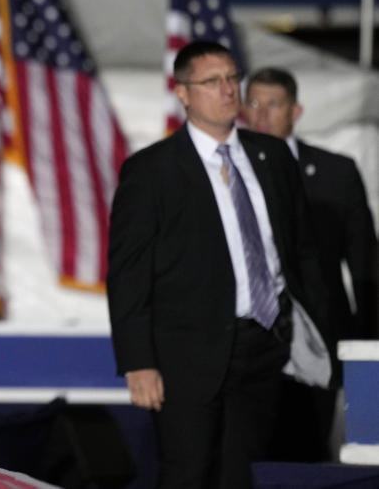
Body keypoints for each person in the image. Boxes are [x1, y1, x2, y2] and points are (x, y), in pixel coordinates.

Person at [107, 40, 332, 487]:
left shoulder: (272, 159)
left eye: (232, 79)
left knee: (241, 475)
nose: (228, 90)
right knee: (189, 474)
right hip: (185, 357)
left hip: (264, 348)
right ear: (184, 93)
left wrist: (320, 331)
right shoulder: (152, 171)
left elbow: (301, 252)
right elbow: (128, 273)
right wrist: (138, 363)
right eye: (212, 81)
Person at [244, 65, 377, 461]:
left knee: (307, 455)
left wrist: (367, 348)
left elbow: (366, 261)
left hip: (317, 341)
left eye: (274, 104)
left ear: (296, 111)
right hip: (246, 348)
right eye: (253, 103)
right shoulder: (222, 172)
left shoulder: (335, 173)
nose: (262, 114)